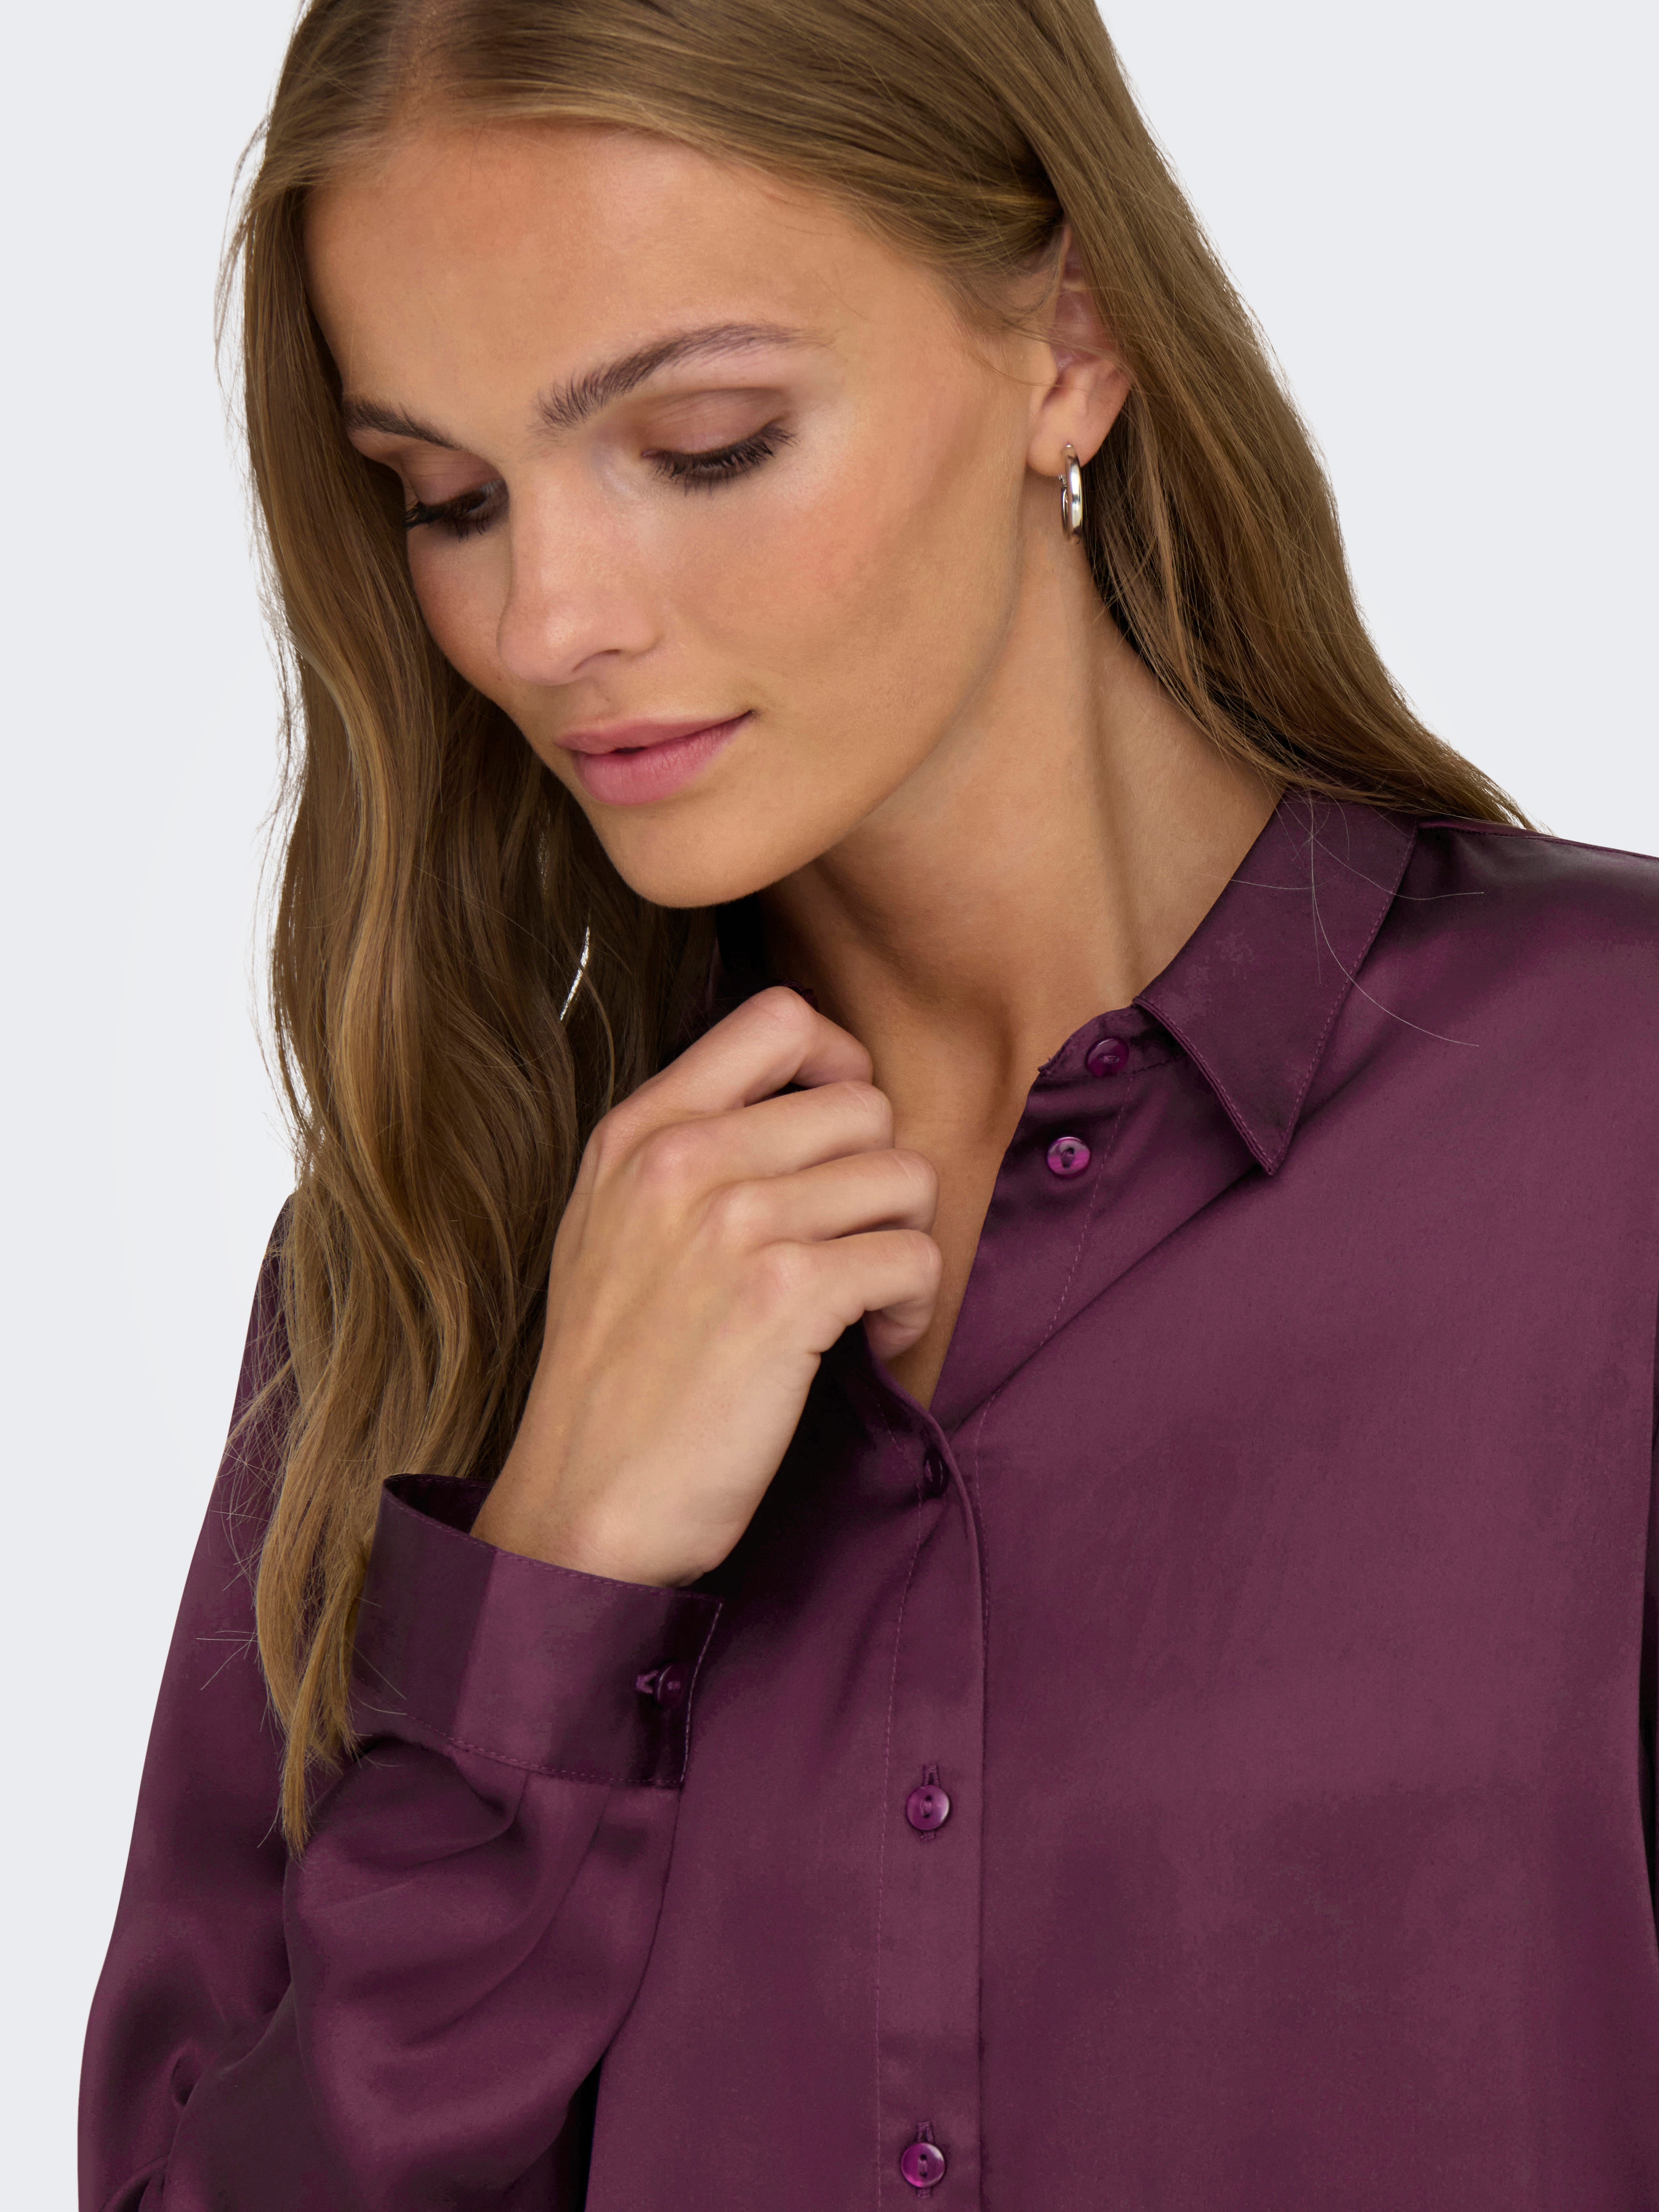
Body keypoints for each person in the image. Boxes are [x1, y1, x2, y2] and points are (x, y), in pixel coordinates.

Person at [79, 0, 1659, 2205]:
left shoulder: (1610, 1124)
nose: (543, 620)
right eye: (446, 499)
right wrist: (547, 1584)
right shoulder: (420, 1281)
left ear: (1069, 343)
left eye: (705, 442)